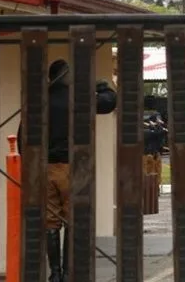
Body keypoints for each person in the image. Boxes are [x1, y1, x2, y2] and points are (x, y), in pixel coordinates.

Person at [16, 59, 118, 282]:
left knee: (51, 222)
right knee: (73, 220)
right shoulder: (78, 100)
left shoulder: (39, 102)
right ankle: (70, 271)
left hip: (46, 169)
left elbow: (22, 137)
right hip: (72, 168)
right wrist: (101, 86)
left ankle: (55, 274)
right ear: (67, 76)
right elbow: (110, 102)